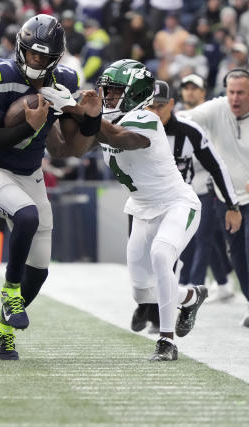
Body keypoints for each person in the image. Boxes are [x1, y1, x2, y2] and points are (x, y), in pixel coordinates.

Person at [0, 15, 103, 361]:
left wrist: (91, 119)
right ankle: (10, 293)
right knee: (26, 216)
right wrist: (30, 126)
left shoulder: (66, 79)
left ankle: (2, 325)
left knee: (40, 273)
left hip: (30, 174)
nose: (37, 62)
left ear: (57, 59)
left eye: (44, 57)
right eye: (33, 54)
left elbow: (65, 150)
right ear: (20, 50)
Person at [92, 60, 208, 361]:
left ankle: (166, 342)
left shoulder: (147, 118)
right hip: (142, 210)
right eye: (107, 91)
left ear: (135, 93)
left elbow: (118, 137)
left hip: (176, 204)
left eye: (115, 91)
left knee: (161, 255)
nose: (108, 97)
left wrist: (83, 115)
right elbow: (69, 148)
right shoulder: (105, 120)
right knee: (142, 293)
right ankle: (191, 296)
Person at [128, 80, 241, 334]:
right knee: (138, 268)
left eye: (159, 106)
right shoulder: (133, 127)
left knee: (165, 260)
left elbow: (216, 165)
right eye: (149, 107)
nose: (153, 113)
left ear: (171, 104)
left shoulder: (189, 131)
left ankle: (162, 323)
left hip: (175, 205)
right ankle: (149, 303)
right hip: (140, 204)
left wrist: (232, 203)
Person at [183, 68, 249, 326]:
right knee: (239, 258)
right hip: (226, 199)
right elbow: (185, 118)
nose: (235, 98)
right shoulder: (217, 108)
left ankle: (197, 284)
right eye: (231, 92)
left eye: (241, 93)